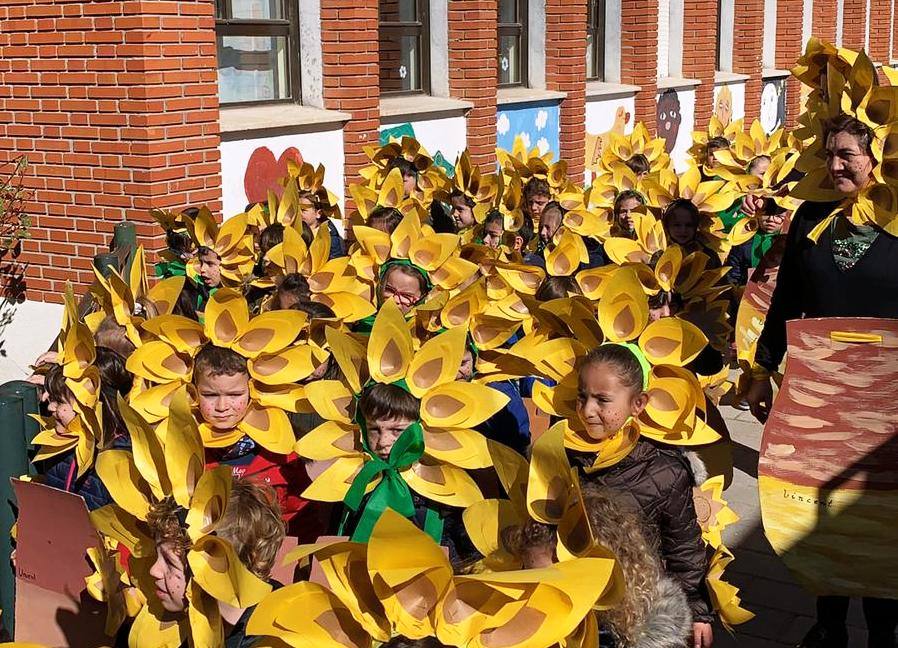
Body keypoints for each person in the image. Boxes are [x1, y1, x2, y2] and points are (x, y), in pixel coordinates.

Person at [746, 113, 898, 648]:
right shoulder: (811, 217)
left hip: (887, 402)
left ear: (876, 159)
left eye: (846, 156)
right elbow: (787, 299)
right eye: (828, 154)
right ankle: (829, 622)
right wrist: (762, 370)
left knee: (881, 509)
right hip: (821, 392)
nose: (833, 165)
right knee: (822, 506)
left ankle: (884, 629)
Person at [570, 345, 714, 648]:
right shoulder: (563, 455)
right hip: (578, 605)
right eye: (582, 396)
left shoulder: (664, 472)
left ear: (638, 404)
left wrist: (700, 611)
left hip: (635, 609)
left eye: (602, 400)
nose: (587, 410)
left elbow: (684, 547)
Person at [341, 382, 476, 564]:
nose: (383, 442)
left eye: (397, 431)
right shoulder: (356, 479)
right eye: (374, 430)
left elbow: (463, 554)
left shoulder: (444, 488)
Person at [193, 344, 316, 539]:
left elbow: (301, 520)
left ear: (254, 391)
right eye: (210, 395)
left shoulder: (284, 456)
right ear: (194, 393)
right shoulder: (186, 453)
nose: (222, 406)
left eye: (235, 395)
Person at [146, 477, 286, 648]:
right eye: (157, 555)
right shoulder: (177, 621)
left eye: (169, 561)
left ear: (220, 571)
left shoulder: (273, 639)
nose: (153, 570)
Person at [40, 348, 133, 510]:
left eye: (59, 401)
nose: (50, 406)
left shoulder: (121, 459)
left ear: (89, 406)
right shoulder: (63, 441)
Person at [725, 198, 787, 286]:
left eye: (778, 216)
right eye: (766, 214)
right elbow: (733, 274)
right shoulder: (743, 240)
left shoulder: (790, 243)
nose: (771, 219)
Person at [662, 199, 721, 268]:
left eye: (689, 225)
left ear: (696, 227)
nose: (683, 230)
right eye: (677, 225)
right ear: (667, 226)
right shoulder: (659, 254)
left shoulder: (708, 256)